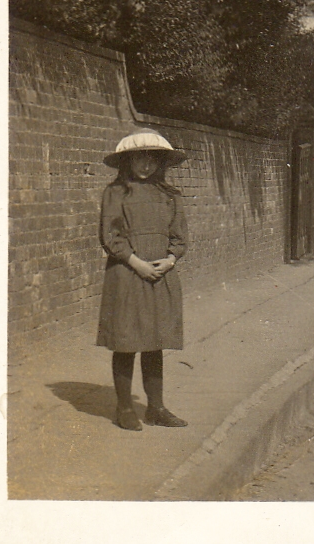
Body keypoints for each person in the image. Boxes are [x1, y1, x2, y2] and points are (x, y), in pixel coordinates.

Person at [97, 128, 190, 431]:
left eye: (152, 159)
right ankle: (124, 408)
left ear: (161, 162)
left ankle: (156, 408)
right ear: (127, 160)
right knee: (126, 342)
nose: (146, 165)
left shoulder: (170, 196)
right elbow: (111, 236)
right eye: (139, 158)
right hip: (127, 274)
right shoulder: (115, 193)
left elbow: (179, 236)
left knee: (154, 343)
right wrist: (137, 263)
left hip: (159, 275)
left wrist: (170, 259)